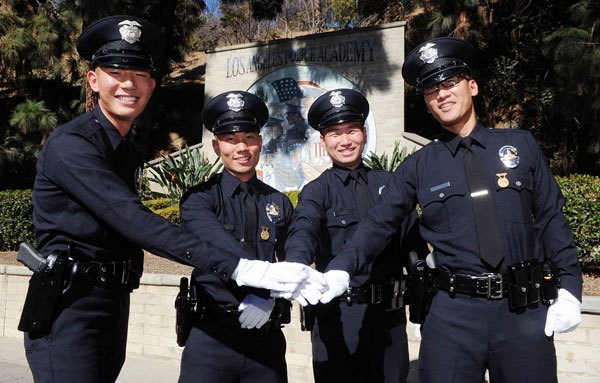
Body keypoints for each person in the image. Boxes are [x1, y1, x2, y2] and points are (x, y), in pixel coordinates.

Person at [21, 15, 311, 383]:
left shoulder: (124, 151)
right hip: (70, 305)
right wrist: (244, 268)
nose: (129, 84)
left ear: (153, 84)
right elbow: (134, 221)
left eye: (140, 75)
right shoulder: (73, 145)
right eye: (116, 72)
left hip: (110, 303)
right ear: (93, 80)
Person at [319, 37, 583, 383]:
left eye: (450, 83)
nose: (441, 94)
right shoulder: (417, 166)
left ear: (471, 86)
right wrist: (340, 269)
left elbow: (551, 219)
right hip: (452, 317)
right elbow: (378, 223)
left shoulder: (520, 146)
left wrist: (571, 290)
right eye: (431, 91)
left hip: (523, 312)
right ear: (428, 105)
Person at [284, 89, 424, 383]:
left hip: (390, 319)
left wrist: (428, 306)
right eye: (335, 133)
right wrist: (296, 263)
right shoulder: (317, 192)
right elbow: (303, 231)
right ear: (323, 141)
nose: (345, 141)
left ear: (364, 133)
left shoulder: (391, 186)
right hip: (338, 318)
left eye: (352, 131)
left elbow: (415, 249)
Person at [177, 91, 299, 383]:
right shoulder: (198, 200)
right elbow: (219, 246)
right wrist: (262, 288)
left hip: (265, 338)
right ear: (217, 147)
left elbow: (294, 259)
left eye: (249, 137)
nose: (241, 147)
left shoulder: (280, 203)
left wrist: (273, 298)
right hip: (211, 338)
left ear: (260, 142)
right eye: (231, 140)